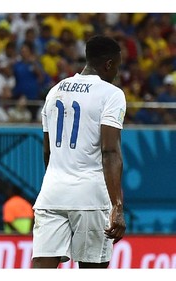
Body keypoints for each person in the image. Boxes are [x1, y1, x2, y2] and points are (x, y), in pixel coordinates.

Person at [32, 35, 127, 269]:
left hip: (51, 193)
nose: (116, 72)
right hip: (90, 196)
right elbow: (110, 151)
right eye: (116, 65)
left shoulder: (55, 91)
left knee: (42, 267)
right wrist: (117, 204)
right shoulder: (111, 94)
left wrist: (58, 178)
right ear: (108, 64)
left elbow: (48, 151)